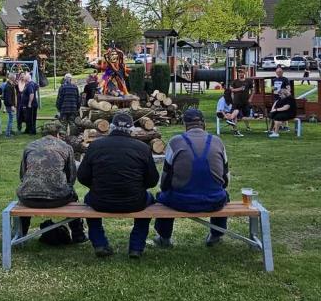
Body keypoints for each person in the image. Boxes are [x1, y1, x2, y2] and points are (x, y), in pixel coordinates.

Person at [76, 110, 159, 258]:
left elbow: (82, 176)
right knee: (150, 199)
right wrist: (137, 187)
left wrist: (96, 187)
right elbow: (152, 180)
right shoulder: (143, 148)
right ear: (131, 129)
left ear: (111, 127)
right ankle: (136, 247)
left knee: (88, 199)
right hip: (135, 201)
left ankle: (99, 243)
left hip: (100, 200)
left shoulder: (95, 146)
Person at [156, 107, 229, 248]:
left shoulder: (175, 142)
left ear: (185, 124)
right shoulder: (217, 142)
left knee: (162, 197)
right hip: (214, 200)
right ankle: (216, 235)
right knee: (225, 195)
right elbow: (225, 177)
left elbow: (166, 177)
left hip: (180, 201)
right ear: (203, 123)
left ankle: (164, 237)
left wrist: (165, 190)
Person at [16, 121, 85, 245]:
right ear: (58, 134)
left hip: (28, 198)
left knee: (26, 192)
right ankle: (78, 234)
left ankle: (20, 236)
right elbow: (71, 177)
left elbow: (23, 175)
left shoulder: (30, 146)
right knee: (73, 195)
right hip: (58, 198)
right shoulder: (66, 147)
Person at [0, 73, 19, 137]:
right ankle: (8, 133)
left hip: (10, 105)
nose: (16, 79)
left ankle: (10, 131)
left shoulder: (10, 85)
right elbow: (8, 98)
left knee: (11, 119)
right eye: (15, 77)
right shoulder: (8, 86)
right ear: (12, 78)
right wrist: (12, 105)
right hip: (10, 105)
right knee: (11, 119)